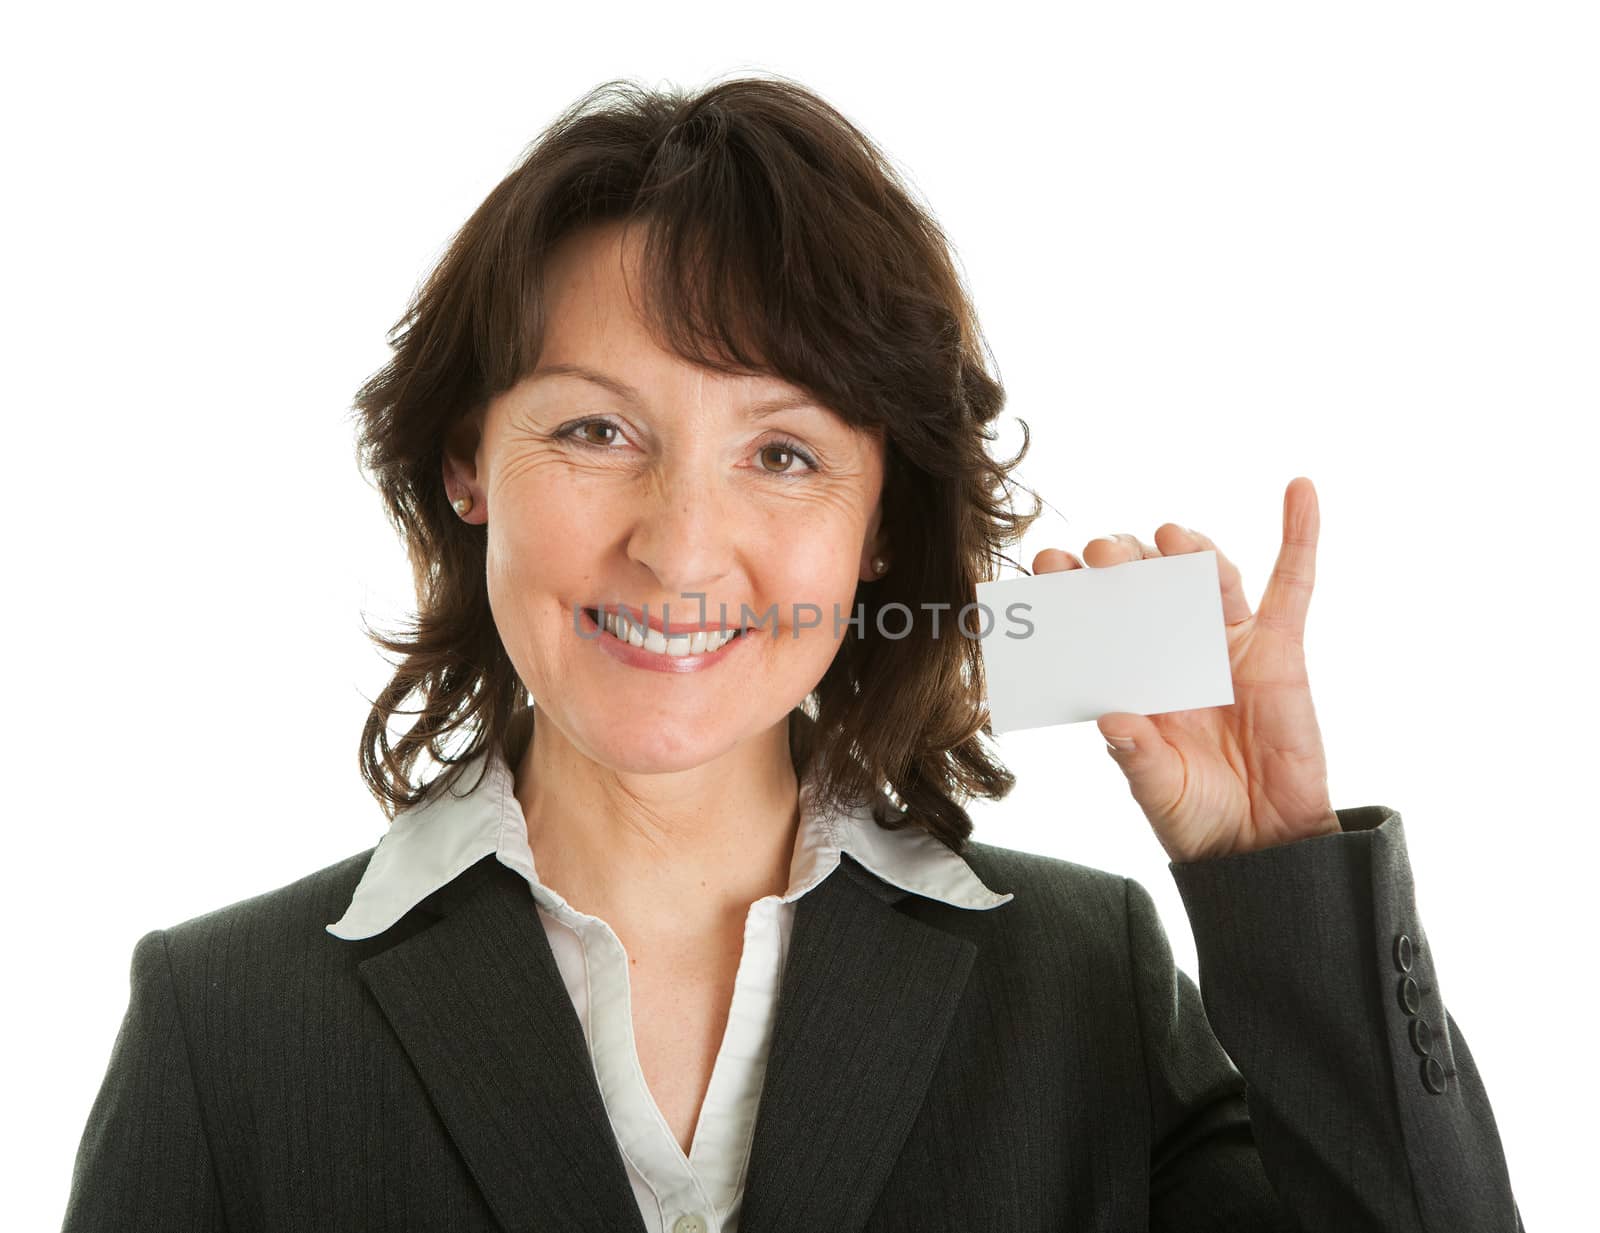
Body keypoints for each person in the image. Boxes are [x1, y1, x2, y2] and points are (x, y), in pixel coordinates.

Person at [61, 74, 1523, 1232]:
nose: (683, 545)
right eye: (595, 430)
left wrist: (1279, 878)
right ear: (468, 463)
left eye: (782, 450)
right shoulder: (227, 1028)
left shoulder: (1085, 987)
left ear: (880, 524)